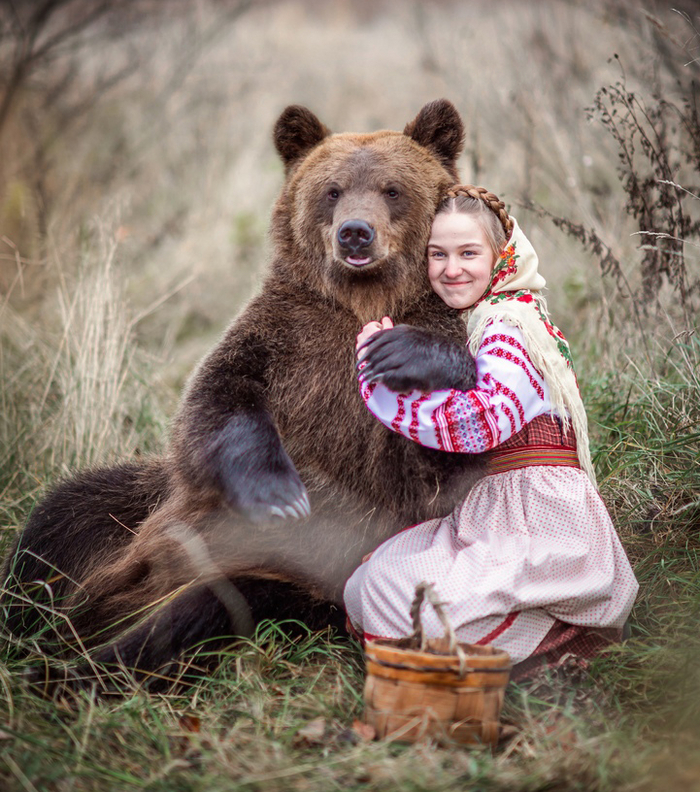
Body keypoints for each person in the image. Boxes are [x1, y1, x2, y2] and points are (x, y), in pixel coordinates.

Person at [344, 185, 638, 680]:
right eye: (437, 254)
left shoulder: (508, 324)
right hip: (496, 512)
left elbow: (483, 422)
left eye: (468, 253)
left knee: (411, 602)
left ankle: (553, 643)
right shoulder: (487, 319)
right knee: (371, 582)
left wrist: (376, 379)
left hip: (538, 520)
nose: (451, 269)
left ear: (501, 255)